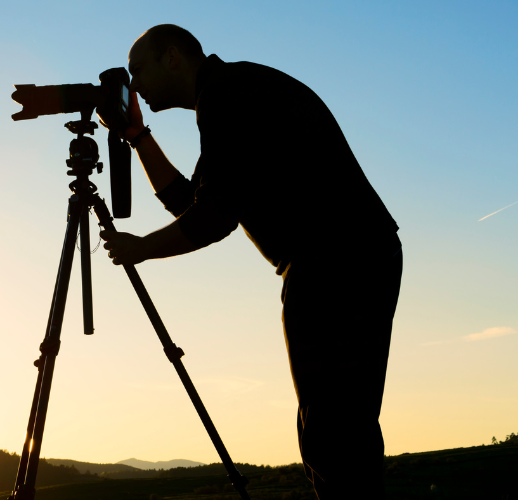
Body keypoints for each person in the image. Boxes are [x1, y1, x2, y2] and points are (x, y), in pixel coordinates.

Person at [97, 24, 402, 499]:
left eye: (138, 72)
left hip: (335, 263)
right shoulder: (230, 92)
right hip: (350, 257)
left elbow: (214, 219)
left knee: (332, 432)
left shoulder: (228, 96)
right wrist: (138, 137)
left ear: (172, 57)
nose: (134, 87)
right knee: (338, 427)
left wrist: (143, 249)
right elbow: (192, 204)